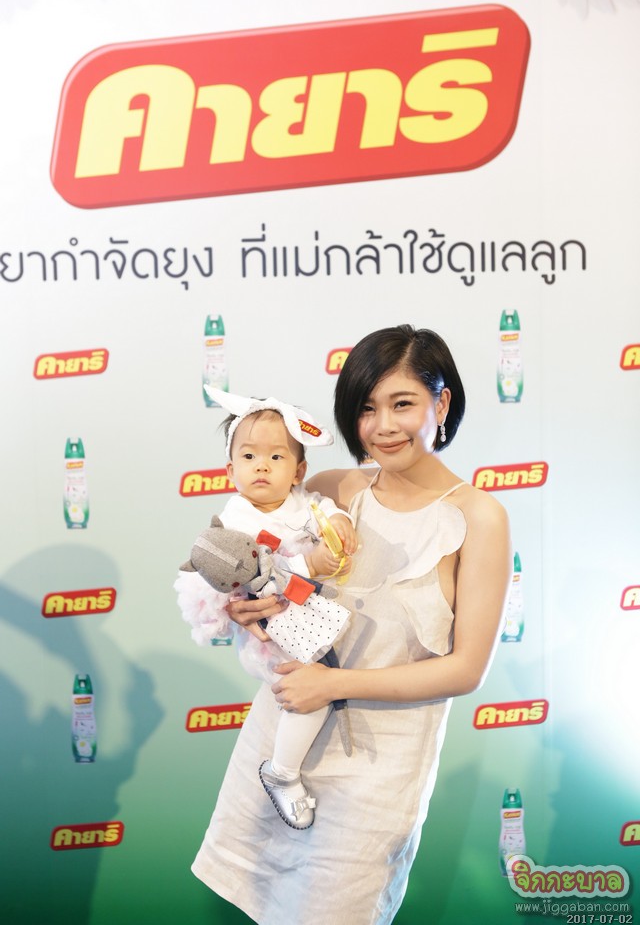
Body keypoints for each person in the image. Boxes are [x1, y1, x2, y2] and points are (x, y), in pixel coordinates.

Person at [188, 325, 512, 925]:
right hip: (279, 742)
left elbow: (466, 669)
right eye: (366, 408)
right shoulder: (328, 490)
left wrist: (335, 685)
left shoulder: (480, 517)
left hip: (379, 771)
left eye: (402, 403)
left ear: (441, 403)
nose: (383, 425)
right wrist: (243, 608)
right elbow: (260, 579)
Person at [175, 388, 357, 830]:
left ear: (299, 471)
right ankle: (282, 772)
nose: (261, 466)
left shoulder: (305, 503)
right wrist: (309, 564)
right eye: (249, 456)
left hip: (305, 614)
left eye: (276, 457)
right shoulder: (234, 521)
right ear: (230, 469)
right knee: (311, 694)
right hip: (271, 631)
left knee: (326, 678)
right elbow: (253, 575)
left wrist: (340, 521)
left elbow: (327, 511)